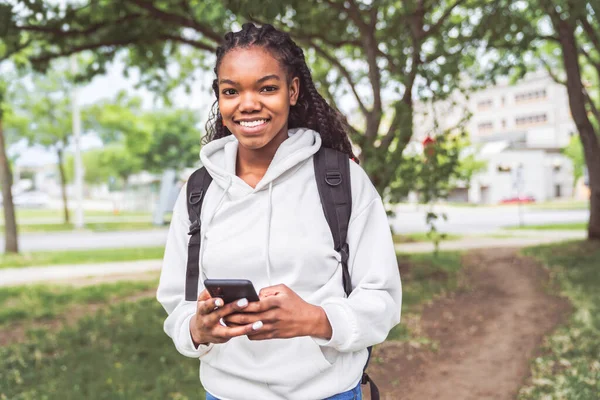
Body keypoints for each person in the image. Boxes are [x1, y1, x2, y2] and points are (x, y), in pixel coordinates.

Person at [157, 22, 402, 400]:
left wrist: (317, 319)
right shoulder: (198, 190)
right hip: (227, 394)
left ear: (292, 90)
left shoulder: (341, 180)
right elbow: (177, 301)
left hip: (328, 392)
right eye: (231, 91)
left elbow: (382, 299)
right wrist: (195, 329)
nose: (248, 103)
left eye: (267, 87)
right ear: (219, 99)